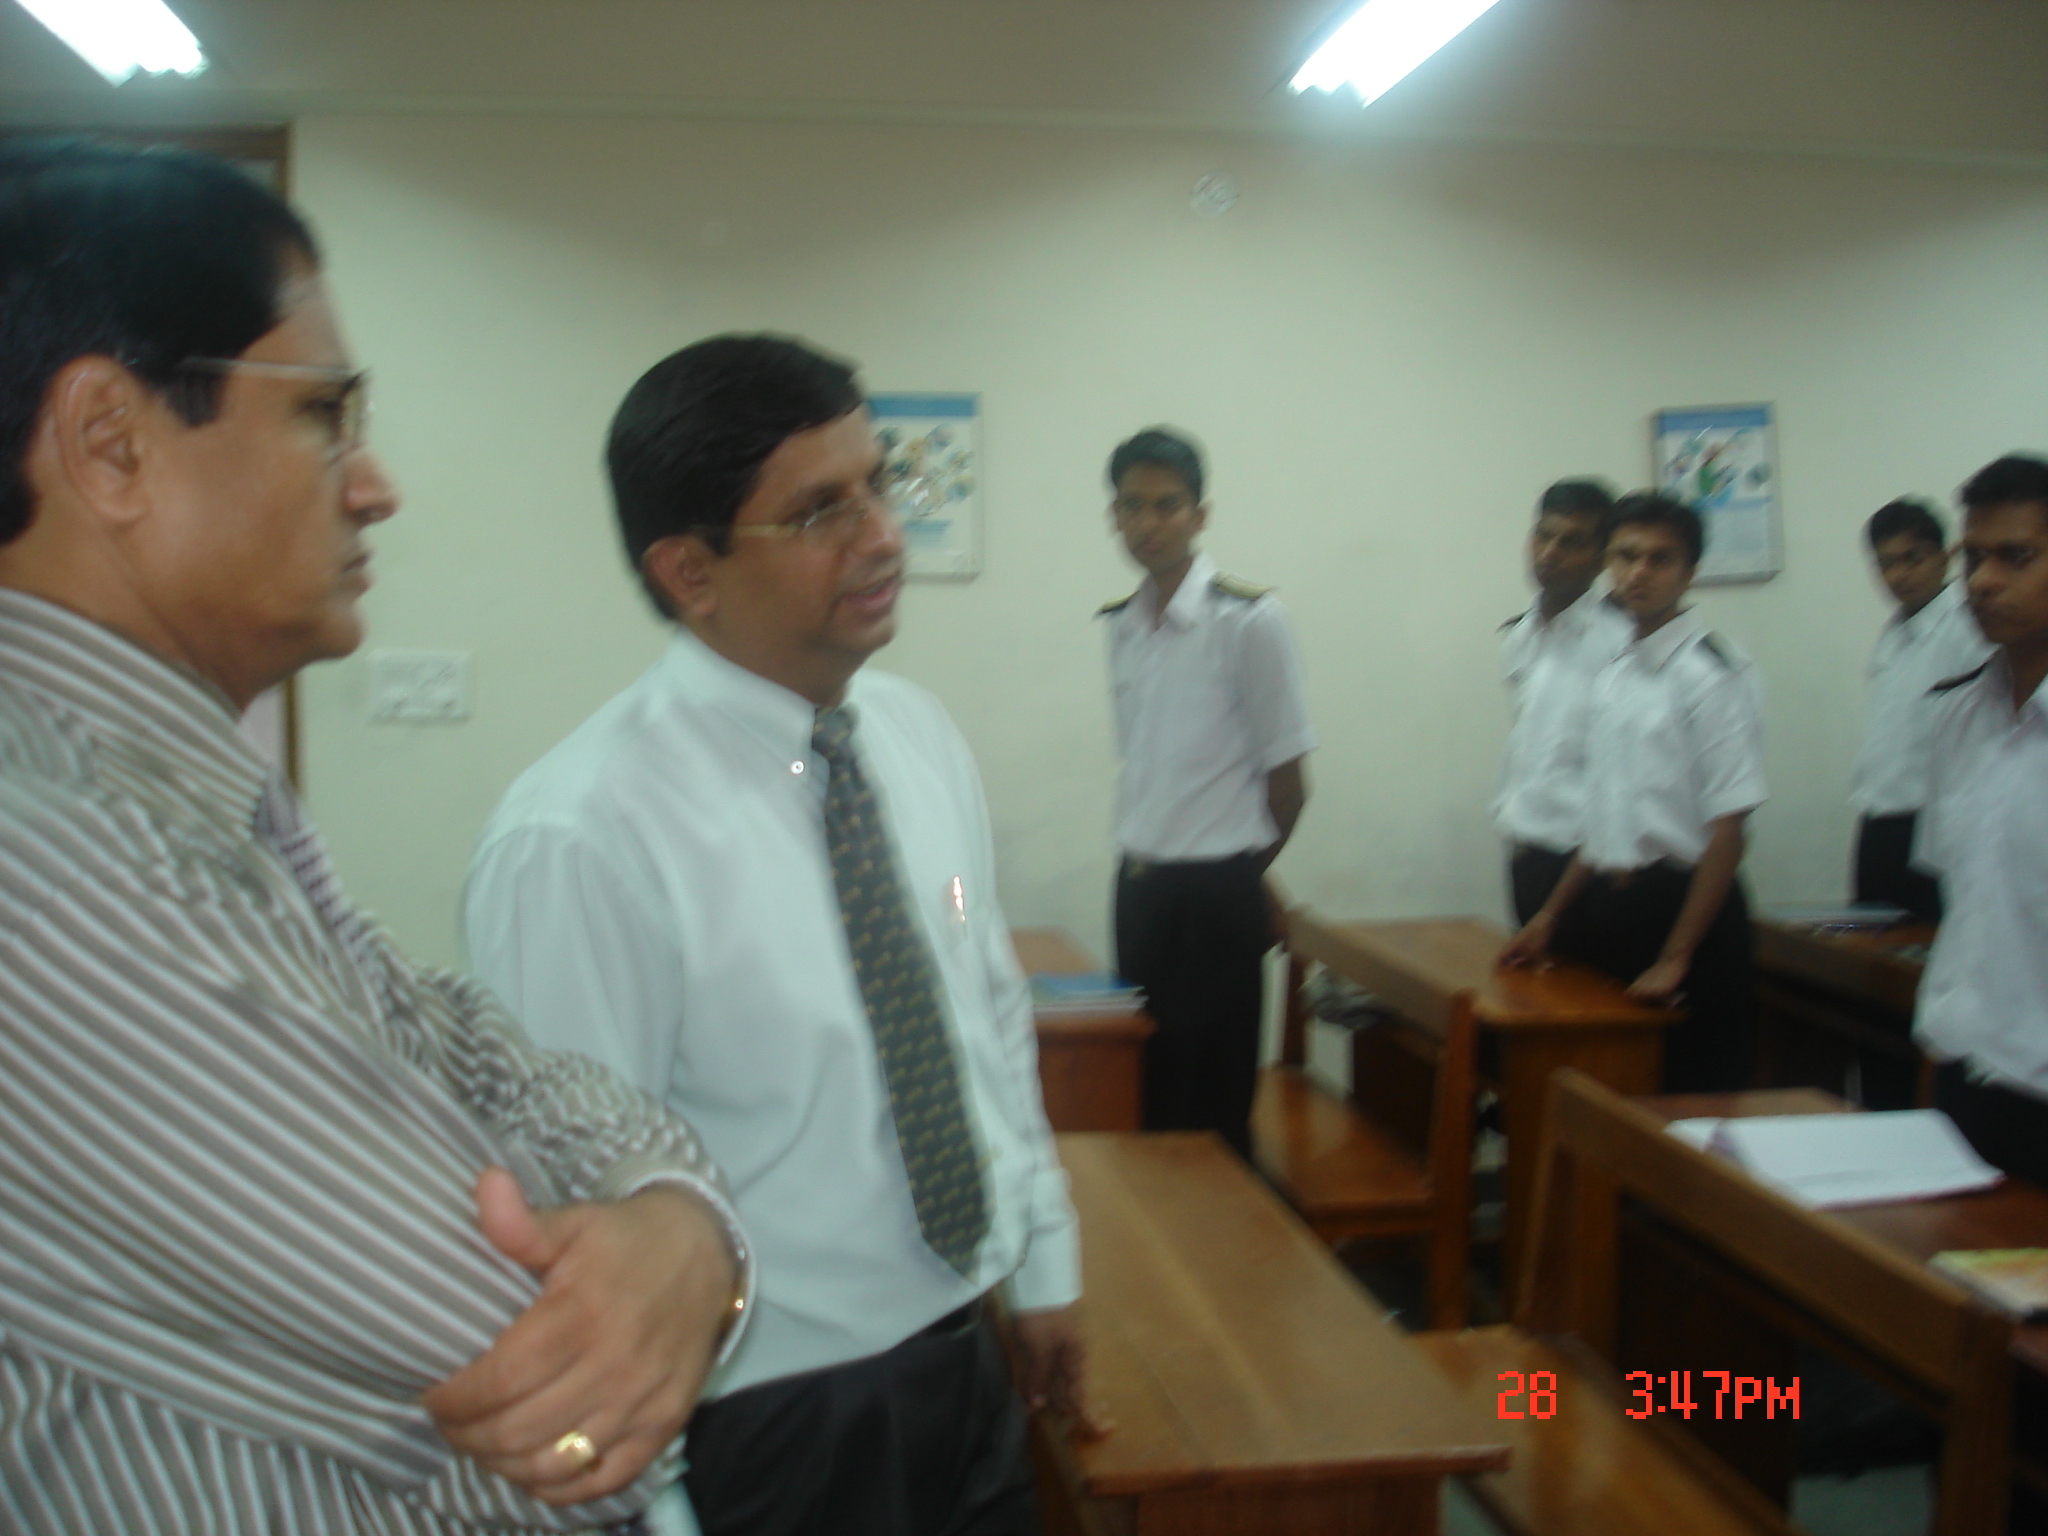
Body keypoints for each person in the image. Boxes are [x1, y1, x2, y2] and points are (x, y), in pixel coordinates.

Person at [0, 139, 748, 1535]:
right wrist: (678, 1246)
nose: (375, 483)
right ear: (110, 445)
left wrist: (675, 1215)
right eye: (325, 415)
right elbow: (550, 1373)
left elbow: (467, 1046)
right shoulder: (56, 872)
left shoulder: (177, 805)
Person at [463, 335, 1089, 1536]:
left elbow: (986, 1015)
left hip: (969, 1359)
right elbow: (576, 1219)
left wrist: (1043, 1264)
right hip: (769, 1422)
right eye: (818, 512)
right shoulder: (582, 838)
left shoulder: (914, 739)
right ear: (688, 571)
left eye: (878, 486)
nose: (883, 537)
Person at [1097, 427, 1315, 1160]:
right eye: (1133, 506)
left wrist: (1242, 872)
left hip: (1217, 897)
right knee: (1148, 1089)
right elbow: (1149, 767)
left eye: (1167, 505)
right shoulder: (1121, 626)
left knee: (1213, 1104)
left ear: (1200, 514)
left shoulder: (1249, 621)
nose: (1149, 523)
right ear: (1114, 516)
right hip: (1140, 889)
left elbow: (1289, 785)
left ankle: (1229, 1235)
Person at [1502, 492, 1766, 1092]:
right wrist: (1549, 917)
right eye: (1625, 557)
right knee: (1614, 1090)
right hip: (1612, 908)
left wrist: (1675, 956)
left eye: (1659, 559)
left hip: (1685, 911)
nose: (1638, 573)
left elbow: (1730, 831)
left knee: (1693, 1104)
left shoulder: (1712, 674)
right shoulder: (1617, 672)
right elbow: (1602, 818)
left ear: (1689, 572)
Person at [1912, 454, 2048, 1187]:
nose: (1982, 581)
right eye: (1972, 558)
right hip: (1971, 1075)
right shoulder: (1957, 714)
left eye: (2015, 557)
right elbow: (1963, 908)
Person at [1493, 478, 1631, 925]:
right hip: (1526, 854)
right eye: (1543, 535)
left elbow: (1627, 779)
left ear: (1602, 556)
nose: (1549, 553)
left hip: (1591, 868)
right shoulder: (1519, 636)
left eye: (1572, 542)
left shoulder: (1621, 644)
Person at [1850, 498, 1990, 922]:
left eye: (1913, 558)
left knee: (1932, 944)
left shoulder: (1970, 627)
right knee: (1870, 950)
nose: (1899, 575)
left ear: (1944, 556)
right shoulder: (1893, 633)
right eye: (1885, 564)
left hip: (1935, 829)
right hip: (1879, 826)